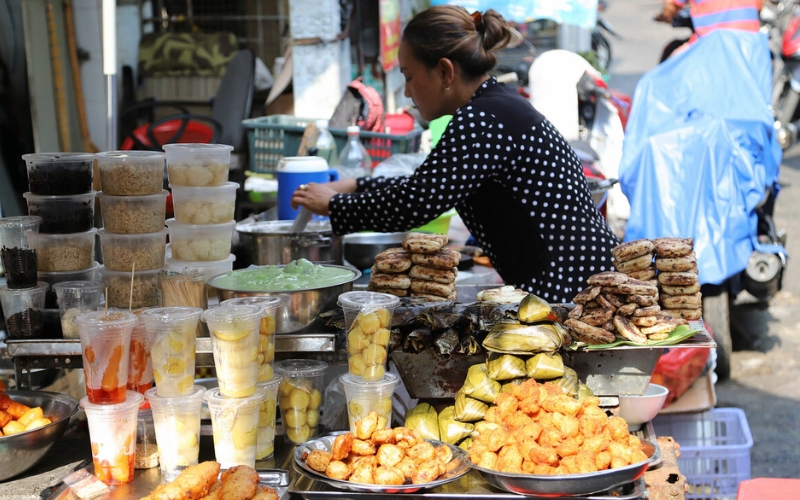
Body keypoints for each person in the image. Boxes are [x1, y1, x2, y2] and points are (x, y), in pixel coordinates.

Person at [291, 5, 620, 302]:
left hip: (574, 288)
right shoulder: (493, 106)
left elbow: (417, 201)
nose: (406, 92)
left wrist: (334, 206)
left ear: (446, 72)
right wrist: (355, 186)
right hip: (575, 279)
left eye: (409, 77)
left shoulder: (482, 118)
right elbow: (434, 182)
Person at [656, 0, 762, 43]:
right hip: (749, 45)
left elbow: (672, 6)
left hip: (708, 45)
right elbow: (759, 7)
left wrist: (664, 16)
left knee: (672, 64)